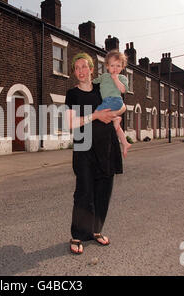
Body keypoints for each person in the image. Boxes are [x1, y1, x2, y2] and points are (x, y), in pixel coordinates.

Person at [65, 52, 125, 255]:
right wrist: (96, 115)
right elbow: (71, 122)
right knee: (84, 192)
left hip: (106, 146)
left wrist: (115, 113)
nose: (81, 71)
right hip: (84, 147)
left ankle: (96, 231)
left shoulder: (103, 86)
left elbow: (123, 104)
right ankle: (78, 234)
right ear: (74, 72)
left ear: (92, 69)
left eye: (84, 67)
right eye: (77, 68)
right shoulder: (72, 94)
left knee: (103, 191)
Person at [93, 50, 131, 158]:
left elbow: (123, 90)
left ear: (122, 67)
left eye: (118, 66)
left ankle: (115, 119)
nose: (115, 68)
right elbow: (94, 82)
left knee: (96, 113)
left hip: (115, 100)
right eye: (112, 65)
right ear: (107, 66)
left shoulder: (122, 78)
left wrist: (116, 79)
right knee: (114, 125)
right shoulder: (104, 76)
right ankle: (125, 143)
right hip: (107, 101)